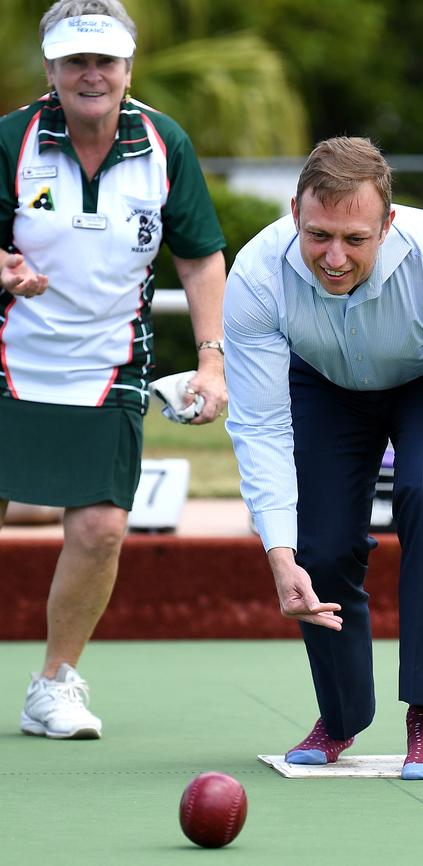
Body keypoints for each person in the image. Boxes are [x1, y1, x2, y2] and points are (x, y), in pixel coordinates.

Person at [224, 136, 423, 780]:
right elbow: (259, 423)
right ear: (294, 212)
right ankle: (341, 717)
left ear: (388, 224)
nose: (334, 258)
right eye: (318, 235)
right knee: (318, 545)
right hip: (322, 386)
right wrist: (278, 551)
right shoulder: (257, 275)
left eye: (355, 239)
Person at [0, 0, 227, 739]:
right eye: (75, 60)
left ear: (128, 68)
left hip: (109, 359)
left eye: (104, 60)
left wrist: (211, 362)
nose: (90, 74)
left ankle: (54, 685)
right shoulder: (11, 140)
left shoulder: (167, 145)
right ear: (51, 70)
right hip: (9, 354)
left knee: (100, 527)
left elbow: (197, 257)